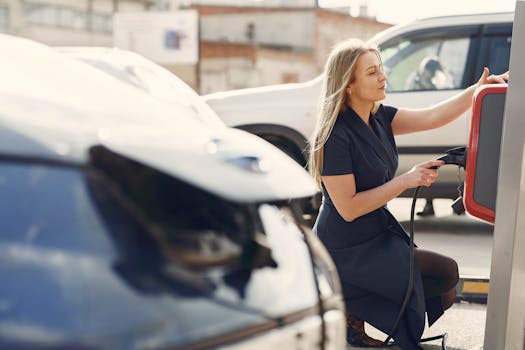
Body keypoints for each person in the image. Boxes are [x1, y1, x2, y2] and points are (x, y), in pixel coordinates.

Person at [308, 39, 508, 349]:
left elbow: (432, 117)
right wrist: (406, 181)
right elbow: (347, 209)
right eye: (372, 73)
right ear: (348, 84)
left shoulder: (380, 117)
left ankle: (351, 308)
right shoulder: (335, 135)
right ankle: (348, 300)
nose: (383, 78)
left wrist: (477, 90)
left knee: (445, 278)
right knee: (442, 274)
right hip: (345, 248)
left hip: (375, 236)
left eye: (381, 70)